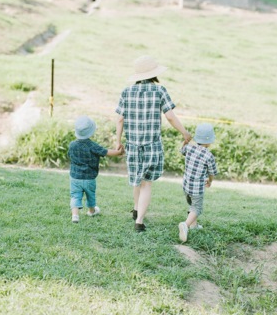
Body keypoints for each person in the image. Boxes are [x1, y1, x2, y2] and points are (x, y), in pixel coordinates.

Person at [115, 55, 192, 232]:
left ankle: (136, 210)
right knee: (146, 183)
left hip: (133, 145)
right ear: (154, 74)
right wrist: (185, 133)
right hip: (151, 145)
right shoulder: (159, 91)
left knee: (137, 181)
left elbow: (120, 119)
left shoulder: (126, 92)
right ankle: (139, 221)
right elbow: (170, 116)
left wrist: (118, 141)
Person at [68, 115, 123, 223]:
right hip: (89, 178)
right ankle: (92, 211)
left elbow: (69, 156)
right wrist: (119, 152)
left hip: (75, 177)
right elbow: (106, 152)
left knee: (75, 196)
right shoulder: (92, 146)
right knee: (90, 195)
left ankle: (75, 215)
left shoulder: (72, 145)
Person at [178, 123, 218, 243]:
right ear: (209, 141)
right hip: (197, 188)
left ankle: (193, 225)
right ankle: (185, 225)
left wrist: (185, 141)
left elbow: (182, 150)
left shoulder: (190, 148)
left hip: (186, 185)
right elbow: (212, 172)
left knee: (192, 204)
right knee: (197, 208)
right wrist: (210, 181)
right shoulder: (208, 155)